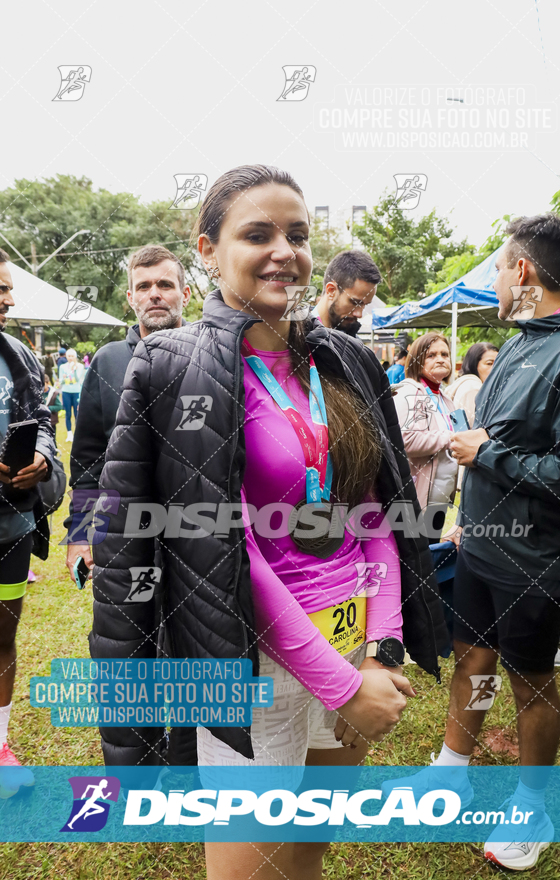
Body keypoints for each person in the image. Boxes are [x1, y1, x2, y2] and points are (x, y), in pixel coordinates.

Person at [90, 165, 448, 880]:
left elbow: (375, 507)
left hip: (354, 647)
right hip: (249, 668)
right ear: (207, 251)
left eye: (298, 235)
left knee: (306, 858)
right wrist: (338, 685)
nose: (284, 251)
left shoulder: (341, 357)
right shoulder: (170, 366)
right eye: (257, 234)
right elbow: (218, 542)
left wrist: (380, 647)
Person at [439, 214, 560, 871]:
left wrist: (486, 456)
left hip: (535, 558)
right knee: (470, 659)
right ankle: (449, 772)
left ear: (521, 272)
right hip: (482, 544)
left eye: (498, 266)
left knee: (529, 684)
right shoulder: (522, 341)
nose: (494, 279)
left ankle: (533, 808)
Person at [63, 245, 192, 767]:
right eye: (144, 286)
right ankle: (136, 767)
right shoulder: (109, 362)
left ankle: (189, 764)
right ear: (130, 297)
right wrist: (79, 532)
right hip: (122, 534)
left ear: (185, 292)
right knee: (124, 647)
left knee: (191, 645)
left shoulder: (212, 353)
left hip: (195, 531)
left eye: (164, 284)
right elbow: (89, 456)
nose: (155, 295)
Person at [0, 249, 55, 792]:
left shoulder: (16, 353)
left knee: (2, 637)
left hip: (9, 526)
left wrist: (40, 453)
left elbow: (41, 417)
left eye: (8, 288)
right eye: (0, 289)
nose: (10, 300)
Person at [393, 333, 458, 541]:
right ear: (416, 361)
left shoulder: (445, 398)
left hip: (438, 502)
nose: (440, 359)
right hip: (416, 503)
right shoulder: (412, 393)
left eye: (444, 354)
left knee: (431, 558)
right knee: (417, 565)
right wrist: (451, 437)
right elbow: (406, 439)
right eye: (431, 355)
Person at [313, 250, 381, 336]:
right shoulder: (298, 337)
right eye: (354, 303)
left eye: (365, 305)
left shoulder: (351, 339)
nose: (359, 314)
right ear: (331, 291)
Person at [444, 342, 498, 427]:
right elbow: (474, 429)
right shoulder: (473, 388)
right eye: (489, 363)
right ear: (474, 365)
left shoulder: (466, 384)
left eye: (498, 364)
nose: (495, 368)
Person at [57, 349, 85, 441]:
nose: (70, 358)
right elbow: (60, 381)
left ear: (75, 357)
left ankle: (78, 433)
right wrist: (63, 378)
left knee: (77, 414)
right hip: (66, 392)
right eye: (69, 356)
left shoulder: (80, 366)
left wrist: (74, 370)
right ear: (66, 357)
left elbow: (77, 380)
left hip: (76, 391)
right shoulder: (62, 367)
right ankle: (69, 433)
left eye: (72, 356)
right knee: (68, 413)